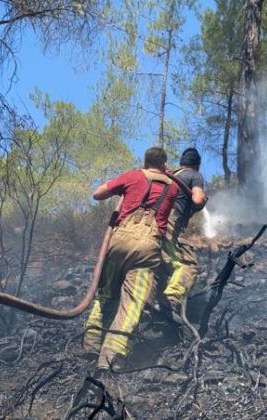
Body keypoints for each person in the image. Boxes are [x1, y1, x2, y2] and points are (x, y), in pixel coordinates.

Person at [83, 146, 179, 370]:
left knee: (106, 294)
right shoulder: (172, 186)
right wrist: (169, 174)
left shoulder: (133, 176)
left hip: (117, 242)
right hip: (147, 247)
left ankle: (90, 344)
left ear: (145, 162)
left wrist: (127, 184)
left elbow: (97, 194)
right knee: (132, 304)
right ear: (164, 164)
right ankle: (111, 357)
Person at [154, 147, 207, 317]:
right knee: (188, 265)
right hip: (170, 220)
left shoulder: (171, 175)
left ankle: (151, 306)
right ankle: (171, 301)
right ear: (197, 164)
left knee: (159, 265)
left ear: (181, 163)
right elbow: (197, 200)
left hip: (148, 222)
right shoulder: (194, 175)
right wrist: (203, 199)